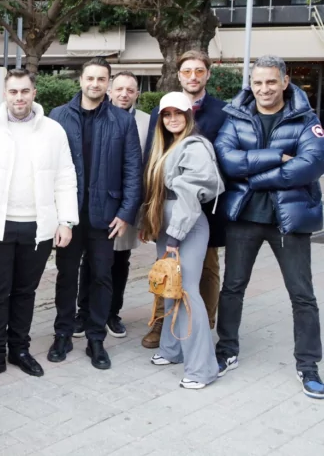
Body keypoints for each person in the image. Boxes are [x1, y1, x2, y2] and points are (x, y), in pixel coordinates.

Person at [0, 69, 78, 384]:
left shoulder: (53, 131)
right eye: (13, 91)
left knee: (25, 291)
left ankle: (19, 350)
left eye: (24, 91)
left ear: (34, 93)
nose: (19, 97)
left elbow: (65, 177)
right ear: (5, 93)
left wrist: (66, 221)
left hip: (38, 227)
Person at [214, 54, 324, 399]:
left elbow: (311, 165)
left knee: (302, 294)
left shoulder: (306, 118)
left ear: (285, 81)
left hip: (289, 220)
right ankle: (226, 351)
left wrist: (254, 178)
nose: (264, 89)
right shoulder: (236, 116)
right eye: (258, 82)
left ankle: (308, 366)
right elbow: (227, 161)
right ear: (251, 84)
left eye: (271, 81)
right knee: (232, 288)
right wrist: (277, 157)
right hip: (244, 218)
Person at [49, 57, 142, 370]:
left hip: (106, 214)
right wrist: (53, 213)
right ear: (81, 80)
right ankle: (62, 334)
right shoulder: (58, 116)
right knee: (66, 275)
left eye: (101, 79)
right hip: (68, 215)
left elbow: (133, 169)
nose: (95, 84)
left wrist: (126, 212)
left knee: (102, 276)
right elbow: (47, 167)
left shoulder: (122, 120)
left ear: (108, 83)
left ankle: (96, 339)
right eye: (90, 78)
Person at [141, 51, 228, 349]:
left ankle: (202, 326)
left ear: (208, 74)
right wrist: (147, 211)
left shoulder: (222, 112)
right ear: (178, 75)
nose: (193, 76)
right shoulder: (162, 111)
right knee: (166, 268)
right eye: (187, 71)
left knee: (205, 269)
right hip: (166, 206)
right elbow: (151, 158)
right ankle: (163, 325)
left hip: (204, 205)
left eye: (199, 71)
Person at [75, 71, 150, 339]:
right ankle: (83, 312)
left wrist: (135, 210)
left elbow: (142, 166)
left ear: (137, 94)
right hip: (97, 206)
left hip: (127, 205)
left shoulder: (146, 122)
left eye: (130, 90)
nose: (124, 94)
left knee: (119, 261)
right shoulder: (95, 115)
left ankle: (111, 313)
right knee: (90, 261)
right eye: (119, 89)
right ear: (110, 90)